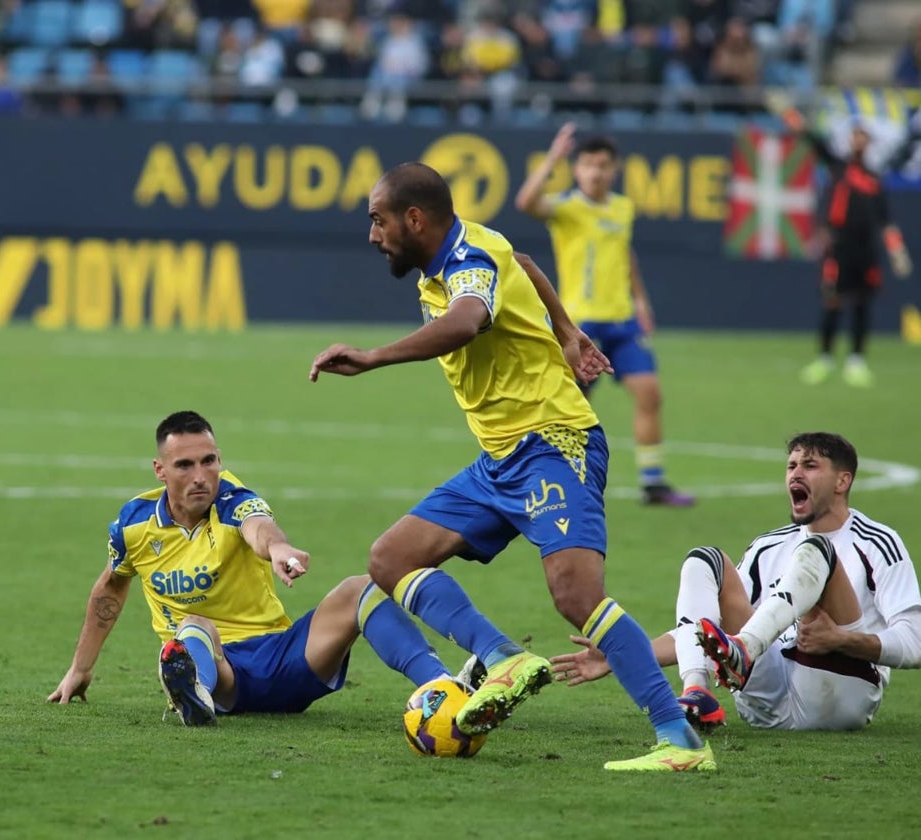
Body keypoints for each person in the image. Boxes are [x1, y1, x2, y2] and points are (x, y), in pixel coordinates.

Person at [308, 162, 715, 772]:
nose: (373, 235)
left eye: (379, 220)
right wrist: (568, 328)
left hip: (555, 442)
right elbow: (522, 260)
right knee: (390, 559)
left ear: (414, 219)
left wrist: (372, 357)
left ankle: (680, 740)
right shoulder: (473, 247)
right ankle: (501, 657)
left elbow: (467, 320)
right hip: (499, 459)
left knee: (577, 595)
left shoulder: (467, 265)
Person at [48, 410, 467, 725]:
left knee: (362, 588)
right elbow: (111, 587)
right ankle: (196, 695)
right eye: (185, 465)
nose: (201, 476)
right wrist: (80, 669)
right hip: (224, 671)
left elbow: (259, 529)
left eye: (209, 461)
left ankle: (444, 689)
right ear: (160, 471)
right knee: (194, 626)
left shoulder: (233, 500)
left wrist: (281, 550)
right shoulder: (134, 525)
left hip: (284, 658)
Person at [550, 432, 921, 732]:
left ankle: (744, 648)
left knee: (817, 551)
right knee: (704, 560)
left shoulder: (877, 542)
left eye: (810, 465)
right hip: (765, 700)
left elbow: (915, 641)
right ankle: (697, 690)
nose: (796, 474)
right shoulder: (768, 546)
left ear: (843, 480)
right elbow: (706, 630)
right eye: (791, 465)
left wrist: (843, 640)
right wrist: (625, 655)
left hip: (839, 690)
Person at [514, 124, 694, 507]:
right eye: (589, 165)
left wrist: (642, 301)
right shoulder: (566, 207)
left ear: (615, 170)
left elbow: (625, 255)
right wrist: (552, 159)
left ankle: (652, 483)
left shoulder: (622, 208)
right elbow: (526, 203)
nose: (596, 172)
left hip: (623, 320)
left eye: (604, 165)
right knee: (569, 408)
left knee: (649, 393)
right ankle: (553, 478)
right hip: (579, 325)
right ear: (577, 169)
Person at [783, 109, 913, 388]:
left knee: (862, 304)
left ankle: (856, 360)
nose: (858, 141)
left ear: (869, 143)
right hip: (839, 247)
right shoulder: (838, 167)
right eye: (855, 136)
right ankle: (825, 359)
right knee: (832, 302)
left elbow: (885, 220)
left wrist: (897, 251)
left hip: (865, 249)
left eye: (863, 137)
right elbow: (815, 143)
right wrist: (794, 117)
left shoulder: (874, 180)